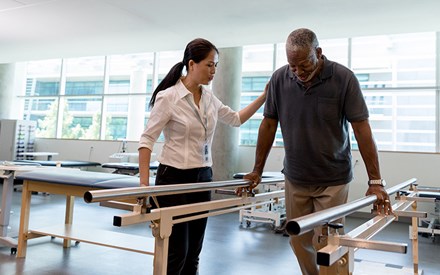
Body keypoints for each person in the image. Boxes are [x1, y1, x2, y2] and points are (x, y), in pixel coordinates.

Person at [243, 28, 392, 275]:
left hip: (332, 179)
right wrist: (256, 170)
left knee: (328, 244)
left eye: (304, 65)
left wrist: (375, 180)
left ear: (319, 53)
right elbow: (268, 123)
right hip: (296, 178)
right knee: (298, 241)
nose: (299, 72)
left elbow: (361, 129)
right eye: (293, 66)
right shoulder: (280, 79)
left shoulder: (344, 78)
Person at [138, 38, 267, 275]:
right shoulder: (168, 98)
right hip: (173, 178)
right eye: (209, 65)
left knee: (194, 251)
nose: (214, 71)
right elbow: (147, 141)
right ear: (192, 64)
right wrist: (144, 186)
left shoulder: (209, 98)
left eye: (216, 65)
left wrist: (264, 96)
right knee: (177, 250)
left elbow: (236, 119)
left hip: (203, 177)